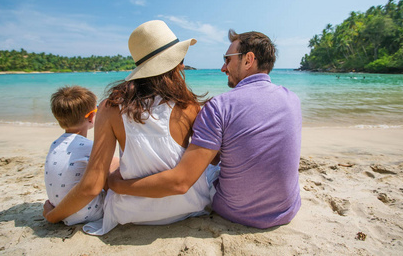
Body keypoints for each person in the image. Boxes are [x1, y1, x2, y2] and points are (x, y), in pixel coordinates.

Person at [108, 28, 302, 229]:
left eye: (227, 59)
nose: (223, 68)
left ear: (248, 60)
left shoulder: (221, 106)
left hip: (235, 212)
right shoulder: (293, 99)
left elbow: (181, 182)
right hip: (286, 210)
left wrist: (116, 185)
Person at [43, 20, 212, 235]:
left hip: (131, 212)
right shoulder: (188, 106)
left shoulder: (110, 108)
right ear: (174, 63)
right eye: (181, 60)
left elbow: (91, 186)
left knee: (111, 167)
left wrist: (52, 215)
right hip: (189, 206)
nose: (181, 66)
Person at [45, 85, 104, 225]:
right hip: (84, 214)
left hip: (59, 208)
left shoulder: (55, 144)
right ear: (91, 116)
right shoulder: (89, 147)